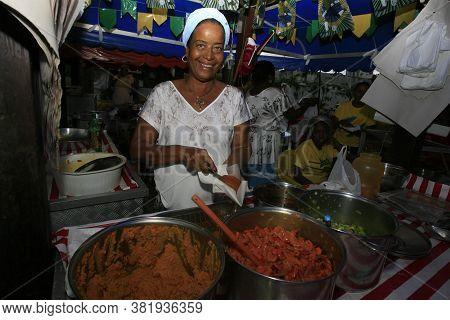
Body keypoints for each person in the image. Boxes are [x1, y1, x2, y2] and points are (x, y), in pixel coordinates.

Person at [129, 8, 251, 210]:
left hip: (219, 209)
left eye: (217, 48)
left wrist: (232, 169)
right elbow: (138, 150)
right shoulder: (162, 95)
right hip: (169, 211)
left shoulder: (235, 98)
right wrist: (182, 153)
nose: (209, 56)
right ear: (187, 49)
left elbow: (243, 147)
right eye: (200, 45)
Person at [294, 116, 338, 184]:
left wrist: (333, 140)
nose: (321, 135)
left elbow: (344, 156)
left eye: (325, 132)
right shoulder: (304, 148)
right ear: (312, 133)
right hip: (307, 187)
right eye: (318, 131)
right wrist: (315, 187)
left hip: (324, 186)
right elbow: (297, 176)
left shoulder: (329, 148)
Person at [333, 82, 376, 150]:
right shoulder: (343, 106)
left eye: (365, 92)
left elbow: (370, 132)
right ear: (354, 92)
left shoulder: (370, 110)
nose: (362, 95)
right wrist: (340, 124)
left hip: (357, 147)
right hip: (339, 144)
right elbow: (334, 123)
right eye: (359, 91)